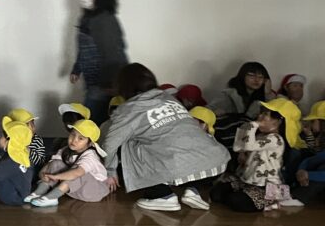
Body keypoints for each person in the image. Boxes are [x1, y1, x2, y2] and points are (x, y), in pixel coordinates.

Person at [102, 63, 230, 213]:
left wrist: (110, 171)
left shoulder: (129, 110)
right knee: (183, 140)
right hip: (217, 164)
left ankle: (162, 195)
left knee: (129, 143)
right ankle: (193, 190)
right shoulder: (169, 98)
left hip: (179, 165)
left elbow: (110, 144)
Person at [211, 99, 300, 212]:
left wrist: (253, 125)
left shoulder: (275, 139)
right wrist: (242, 152)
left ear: (277, 121)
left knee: (236, 201)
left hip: (263, 184)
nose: (259, 116)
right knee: (216, 194)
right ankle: (241, 193)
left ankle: (272, 198)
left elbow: (249, 145)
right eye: (261, 113)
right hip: (246, 179)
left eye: (265, 114)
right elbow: (237, 147)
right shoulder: (259, 135)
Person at [69, 0, 128, 125]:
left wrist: (111, 84)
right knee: (93, 123)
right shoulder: (86, 18)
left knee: (88, 125)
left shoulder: (105, 20)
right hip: (92, 81)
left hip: (104, 84)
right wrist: (77, 69)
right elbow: (84, 47)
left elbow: (114, 53)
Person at [25, 119, 109, 208]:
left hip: (93, 191)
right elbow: (50, 165)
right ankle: (39, 192)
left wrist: (56, 177)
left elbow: (77, 172)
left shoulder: (91, 156)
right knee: (56, 163)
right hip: (75, 189)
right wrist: (42, 174)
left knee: (77, 173)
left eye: (81, 138)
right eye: (73, 135)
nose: (74, 140)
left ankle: (53, 197)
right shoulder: (65, 150)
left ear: (90, 143)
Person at [207, 61, 273, 149]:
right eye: (251, 75)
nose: (257, 80)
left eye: (260, 77)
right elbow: (207, 111)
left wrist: (268, 94)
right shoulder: (229, 95)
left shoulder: (264, 99)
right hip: (223, 141)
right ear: (242, 76)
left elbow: (272, 118)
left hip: (247, 143)